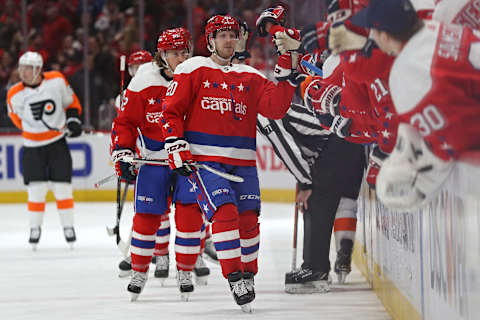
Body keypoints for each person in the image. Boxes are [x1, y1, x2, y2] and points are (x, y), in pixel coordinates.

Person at [160, 15, 301, 312]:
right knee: (225, 214)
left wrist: (288, 67)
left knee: (249, 222)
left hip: (244, 163)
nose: (228, 40)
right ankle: (234, 276)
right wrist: (175, 144)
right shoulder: (192, 68)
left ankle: (248, 274)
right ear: (210, 40)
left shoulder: (249, 75)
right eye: (221, 35)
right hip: (206, 163)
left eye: (232, 35)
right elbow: (170, 111)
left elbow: (275, 108)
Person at [111, 27, 211, 301]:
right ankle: (140, 270)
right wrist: (122, 151)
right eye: (173, 52)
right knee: (145, 218)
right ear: (161, 55)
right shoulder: (144, 81)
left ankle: (185, 270)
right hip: (154, 161)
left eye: (184, 51)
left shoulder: (200, 75)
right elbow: (125, 122)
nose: (180, 57)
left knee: (190, 216)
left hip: (189, 162)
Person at [351, 0, 480, 209]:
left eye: (373, 31)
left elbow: (453, 142)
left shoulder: (406, 75)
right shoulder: (437, 26)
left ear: (385, 36)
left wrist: (422, 183)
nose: (371, 37)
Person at [7, 51, 83, 250]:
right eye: (21, 67)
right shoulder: (14, 93)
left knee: (63, 188)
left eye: (28, 68)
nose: (22, 72)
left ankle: (68, 227)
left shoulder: (56, 80)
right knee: (36, 190)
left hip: (57, 143)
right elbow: (18, 121)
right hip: (32, 147)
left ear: (38, 69)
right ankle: (35, 228)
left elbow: (71, 103)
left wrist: (73, 120)